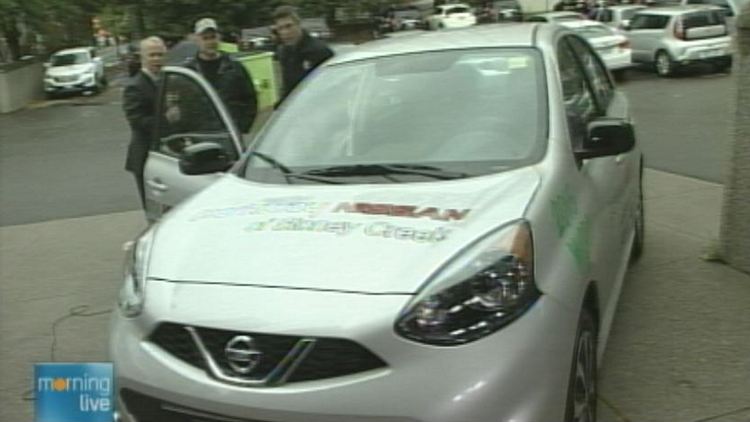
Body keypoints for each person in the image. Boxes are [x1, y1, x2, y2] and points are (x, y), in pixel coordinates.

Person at [184, 18, 258, 133]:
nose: (210, 42)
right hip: (202, 135)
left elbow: (250, 98)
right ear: (196, 40)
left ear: (219, 37)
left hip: (231, 134)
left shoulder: (235, 67)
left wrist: (243, 127)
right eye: (205, 38)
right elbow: (184, 105)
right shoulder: (189, 71)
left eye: (213, 37)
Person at [123, 36, 166, 209]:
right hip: (146, 155)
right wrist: (165, 120)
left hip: (168, 154)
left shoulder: (169, 79)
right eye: (152, 55)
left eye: (160, 55)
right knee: (154, 208)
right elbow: (137, 120)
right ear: (143, 58)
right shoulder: (135, 86)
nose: (157, 59)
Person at [272, 6, 334, 101]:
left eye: (289, 26)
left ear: (299, 24)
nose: (285, 32)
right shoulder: (283, 51)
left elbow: (332, 86)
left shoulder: (319, 51)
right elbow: (288, 86)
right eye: (280, 28)